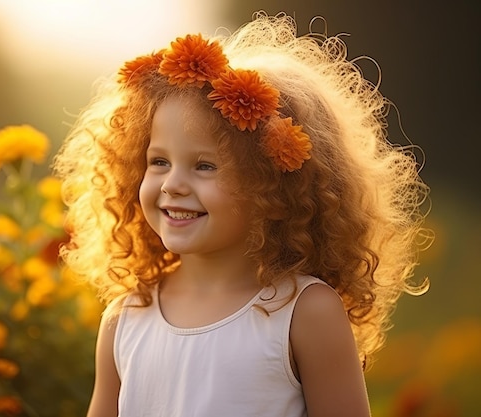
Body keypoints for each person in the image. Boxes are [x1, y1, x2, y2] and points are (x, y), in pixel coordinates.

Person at [53, 11, 430, 417]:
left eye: (204, 166)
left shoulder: (304, 312)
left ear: (271, 184)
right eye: (158, 161)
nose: (173, 184)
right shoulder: (125, 320)